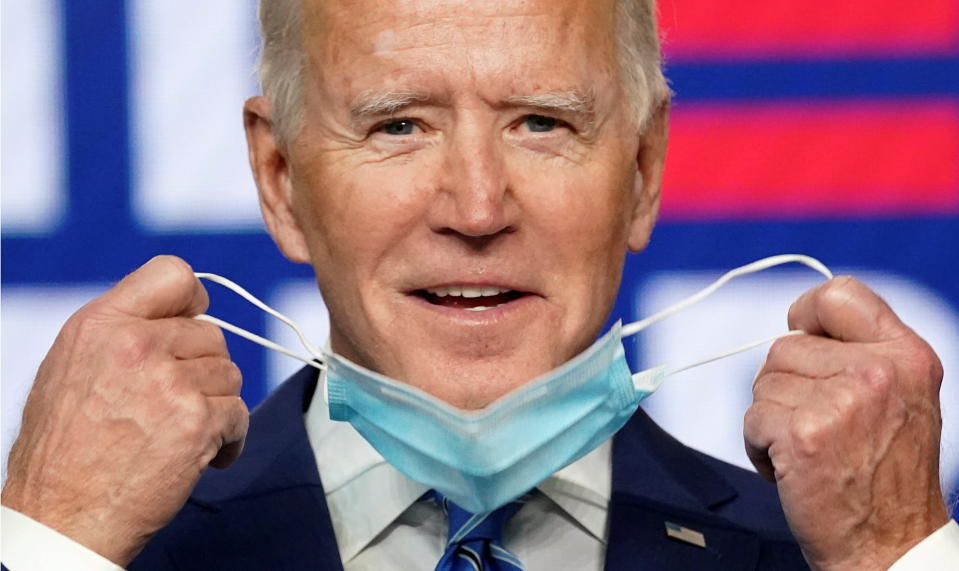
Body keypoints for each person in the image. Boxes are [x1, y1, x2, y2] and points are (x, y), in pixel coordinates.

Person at [2, 0, 957, 569]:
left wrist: (893, 554)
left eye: (540, 122)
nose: (475, 205)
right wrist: (52, 540)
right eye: (398, 125)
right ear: (282, 182)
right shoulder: (105, 550)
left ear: (642, 169)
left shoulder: (834, 556)